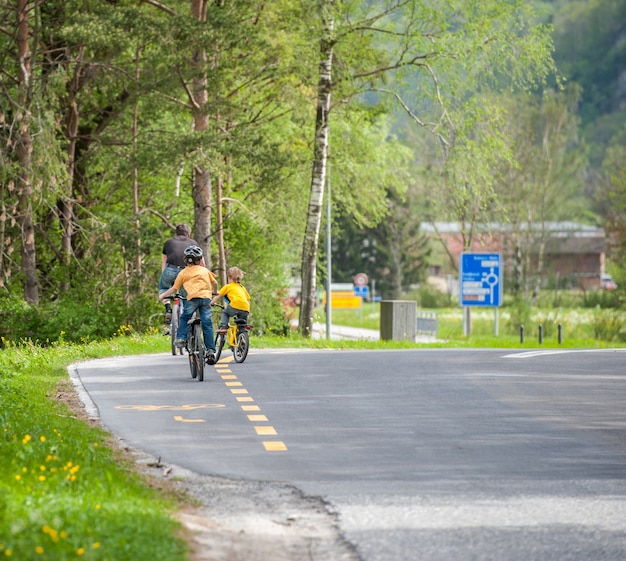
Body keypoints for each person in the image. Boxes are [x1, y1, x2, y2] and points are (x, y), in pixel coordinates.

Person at [159, 245, 218, 363]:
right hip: (206, 299)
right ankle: (210, 350)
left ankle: (180, 338)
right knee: (207, 324)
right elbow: (215, 283)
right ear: (200, 260)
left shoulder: (183, 272)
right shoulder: (205, 271)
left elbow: (174, 288)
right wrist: (215, 292)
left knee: (185, 317)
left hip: (192, 300)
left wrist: (163, 295)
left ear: (185, 260)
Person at [159, 223, 200, 324]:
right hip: (186, 272)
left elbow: (164, 262)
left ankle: (168, 307)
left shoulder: (168, 242)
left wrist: (164, 275)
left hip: (170, 270)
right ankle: (187, 317)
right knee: (186, 296)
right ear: (188, 234)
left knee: (164, 288)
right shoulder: (193, 242)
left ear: (176, 234)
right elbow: (200, 262)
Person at [210, 266, 251, 332]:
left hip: (235, 305)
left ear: (229, 277)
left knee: (225, 313)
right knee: (242, 326)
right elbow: (248, 299)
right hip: (246, 308)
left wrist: (212, 302)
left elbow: (218, 296)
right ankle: (242, 338)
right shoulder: (242, 288)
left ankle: (223, 327)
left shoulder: (228, 286)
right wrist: (248, 310)